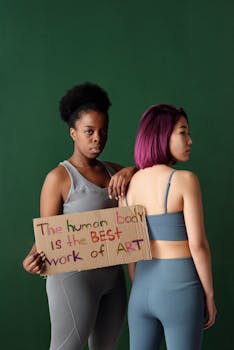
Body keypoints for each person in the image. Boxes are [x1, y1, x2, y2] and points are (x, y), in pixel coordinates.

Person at [23, 82, 136, 350]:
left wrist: (132, 169)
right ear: (73, 133)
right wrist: (32, 258)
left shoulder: (115, 173)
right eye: (89, 131)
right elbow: (49, 234)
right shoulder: (59, 178)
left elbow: (150, 172)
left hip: (113, 279)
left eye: (103, 130)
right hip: (73, 279)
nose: (98, 137)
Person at [120, 104, 217, 350]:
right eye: (183, 132)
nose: (190, 140)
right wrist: (209, 294)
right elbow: (198, 244)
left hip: (141, 289)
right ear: (161, 135)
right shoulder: (184, 180)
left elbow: (130, 250)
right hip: (180, 288)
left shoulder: (128, 186)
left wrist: (141, 284)